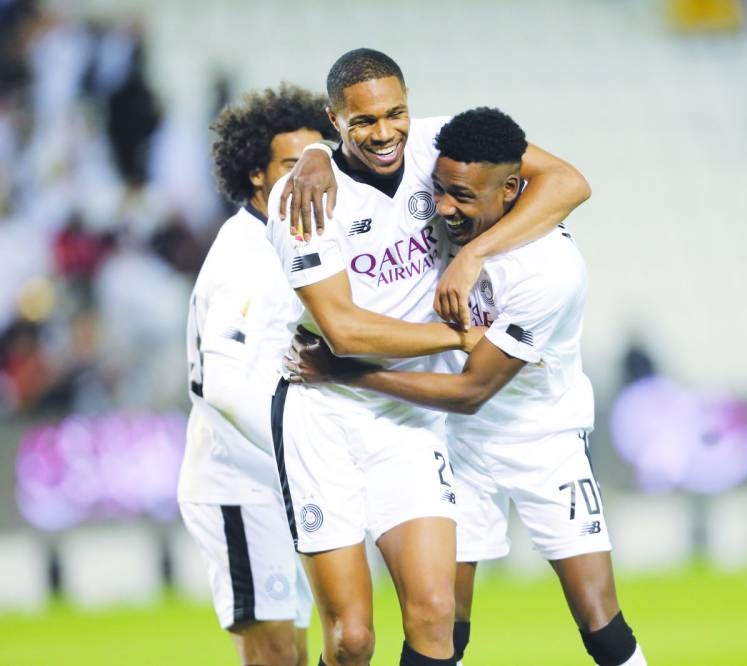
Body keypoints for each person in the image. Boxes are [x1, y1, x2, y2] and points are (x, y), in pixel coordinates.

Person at [265, 49, 590, 666]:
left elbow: (570, 183)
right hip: (323, 407)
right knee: (353, 639)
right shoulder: (303, 198)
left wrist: (472, 255)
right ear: (334, 120)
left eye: (396, 113)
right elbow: (343, 332)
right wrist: (459, 338)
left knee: (436, 613)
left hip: (411, 418)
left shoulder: (435, 147)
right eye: (363, 122)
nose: (384, 133)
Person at [177, 83, 337, 666]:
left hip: (274, 484)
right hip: (238, 484)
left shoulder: (291, 240)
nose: (309, 178)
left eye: (318, 162)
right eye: (292, 165)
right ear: (256, 176)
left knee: (294, 652)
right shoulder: (245, 257)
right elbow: (221, 386)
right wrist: (295, 452)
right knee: (273, 656)